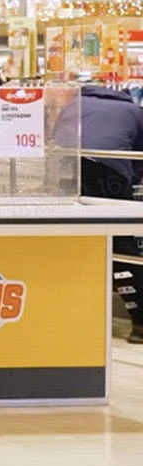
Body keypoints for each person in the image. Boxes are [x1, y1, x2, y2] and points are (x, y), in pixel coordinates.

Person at [69, 85, 143, 342]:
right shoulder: (132, 110)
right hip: (107, 173)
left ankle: (75, 315)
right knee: (122, 244)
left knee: (75, 243)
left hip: (69, 174)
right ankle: (140, 322)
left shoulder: (72, 106)